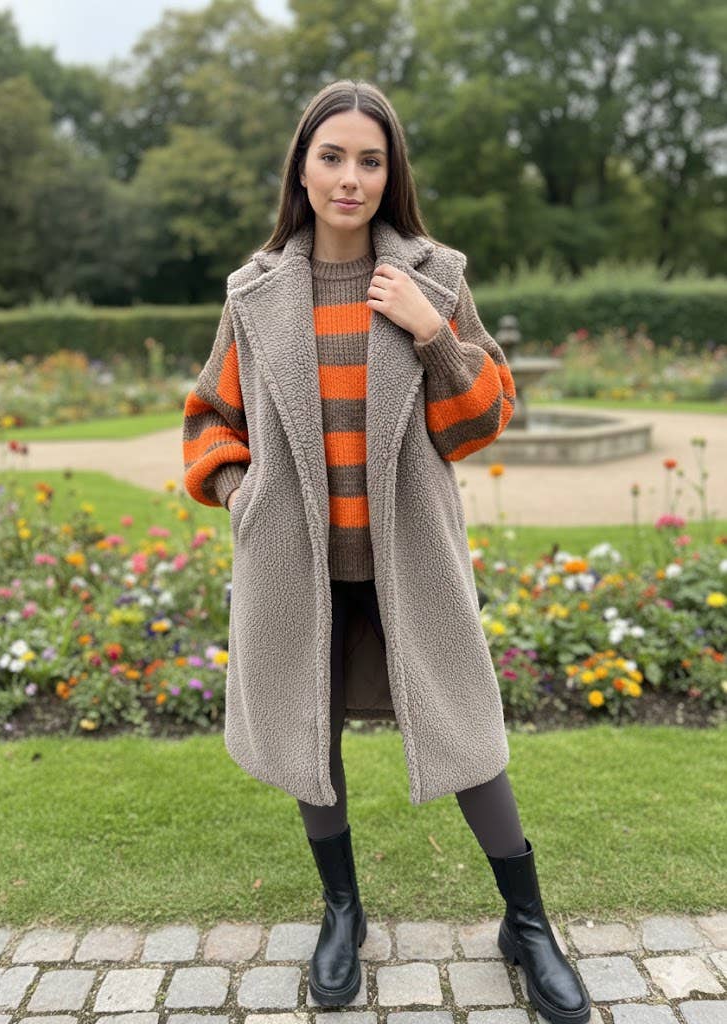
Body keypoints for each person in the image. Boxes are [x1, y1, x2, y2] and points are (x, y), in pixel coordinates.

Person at [182, 79, 590, 1021]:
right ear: (301, 168)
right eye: (331, 157)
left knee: (468, 732)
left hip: (411, 555)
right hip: (295, 560)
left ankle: (526, 924)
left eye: (370, 160)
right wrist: (243, 496)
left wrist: (430, 329)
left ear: (390, 173)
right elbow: (209, 415)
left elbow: (479, 420)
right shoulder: (253, 291)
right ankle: (342, 912)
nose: (350, 178)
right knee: (306, 732)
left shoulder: (434, 277)